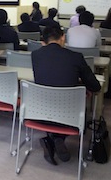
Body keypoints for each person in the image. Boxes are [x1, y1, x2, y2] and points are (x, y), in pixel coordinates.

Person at [31, 25, 101, 165]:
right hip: (69, 117)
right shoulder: (76, 57)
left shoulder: (35, 55)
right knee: (76, 100)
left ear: (42, 42)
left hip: (38, 112)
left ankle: (50, 139)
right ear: (63, 37)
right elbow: (95, 86)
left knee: (54, 96)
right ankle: (57, 138)